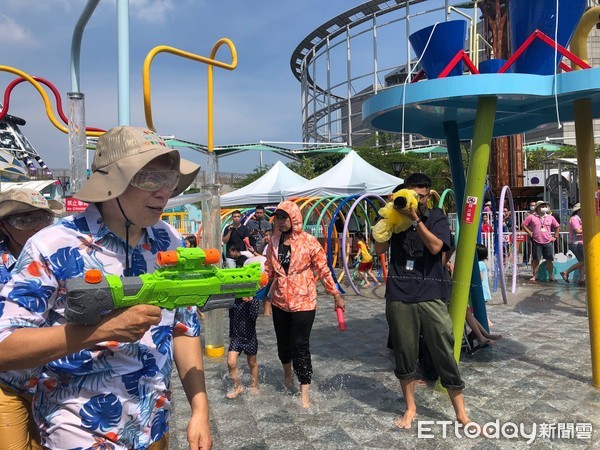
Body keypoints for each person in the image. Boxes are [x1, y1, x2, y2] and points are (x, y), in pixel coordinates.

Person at [0, 126, 212, 449]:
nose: (163, 193)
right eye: (150, 179)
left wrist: (200, 408)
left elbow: (184, 327)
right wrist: (101, 330)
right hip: (80, 432)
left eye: (168, 181)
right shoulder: (52, 246)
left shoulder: (170, 241)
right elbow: (5, 345)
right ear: (113, 184)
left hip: (152, 427)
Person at [373, 173, 470, 430]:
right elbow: (379, 250)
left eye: (423, 196)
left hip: (430, 293)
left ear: (429, 195)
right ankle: (411, 408)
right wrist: (388, 217)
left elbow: (437, 247)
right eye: (414, 195)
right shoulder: (395, 214)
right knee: (404, 352)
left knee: (443, 348)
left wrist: (415, 219)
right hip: (399, 293)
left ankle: (461, 412)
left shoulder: (435, 216)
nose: (418, 200)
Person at [264, 200, 345, 408]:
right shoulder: (273, 242)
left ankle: (304, 390)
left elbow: (324, 270)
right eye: (278, 218)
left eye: (284, 218)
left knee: (300, 345)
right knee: (283, 344)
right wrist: (251, 290)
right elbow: (268, 271)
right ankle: (287, 376)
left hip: (304, 301)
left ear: (294, 219)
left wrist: (335, 294)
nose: (280, 222)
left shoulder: (309, 242)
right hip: (280, 301)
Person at [0, 188, 64, 450]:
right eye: (24, 220)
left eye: (43, 219)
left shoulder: (62, 257)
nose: (37, 227)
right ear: (3, 226)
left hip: (54, 383)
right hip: (8, 383)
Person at [226, 250, 262, 399]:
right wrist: (230, 335)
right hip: (236, 337)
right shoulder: (235, 300)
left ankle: (254, 385)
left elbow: (254, 317)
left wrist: (251, 302)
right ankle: (238, 386)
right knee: (231, 362)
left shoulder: (253, 301)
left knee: (252, 362)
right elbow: (231, 317)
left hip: (249, 337)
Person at [521, 200, 560, 282]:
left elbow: (557, 226)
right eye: (542, 206)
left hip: (548, 241)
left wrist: (555, 236)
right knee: (536, 259)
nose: (544, 208)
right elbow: (523, 225)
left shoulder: (550, 217)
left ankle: (551, 275)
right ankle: (535, 275)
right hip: (536, 241)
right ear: (537, 208)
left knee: (549, 259)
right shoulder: (532, 217)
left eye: (545, 206)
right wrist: (529, 232)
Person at [561, 203, 585, 286]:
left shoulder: (580, 219)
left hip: (580, 243)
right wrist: (589, 228)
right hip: (576, 243)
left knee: (582, 262)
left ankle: (581, 280)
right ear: (579, 210)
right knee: (584, 261)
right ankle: (566, 272)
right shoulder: (574, 219)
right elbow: (577, 231)